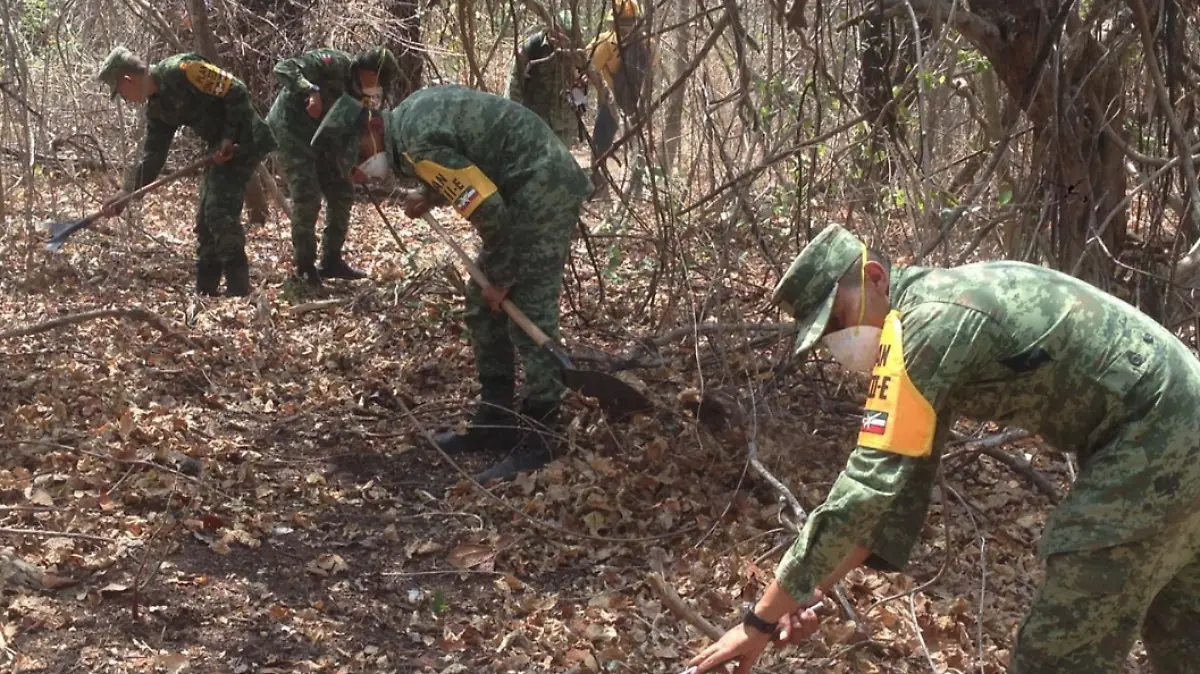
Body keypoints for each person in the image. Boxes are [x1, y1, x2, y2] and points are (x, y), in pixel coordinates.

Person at [686, 223, 1200, 674]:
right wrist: (802, 595)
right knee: (1182, 637)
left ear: (874, 278)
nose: (839, 342)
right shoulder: (932, 315)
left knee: (1058, 655)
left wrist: (758, 619)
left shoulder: (925, 327)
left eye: (839, 320)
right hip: (1175, 427)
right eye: (828, 335)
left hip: (1157, 436)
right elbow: (890, 497)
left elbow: (862, 491)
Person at [310, 86, 592, 483]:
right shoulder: (408, 123)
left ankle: (540, 439)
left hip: (540, 185)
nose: (360, 170)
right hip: (521, 184)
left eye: (357, 156)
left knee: (529, 309)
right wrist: (430, 194)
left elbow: (489, 209)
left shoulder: (416, 143)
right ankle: (497, 420)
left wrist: (503, 277)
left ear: (373, 126)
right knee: (481, 304)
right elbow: (466, 161)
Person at [97, 46, 276, 297]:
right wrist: (126, 192)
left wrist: (227, 136)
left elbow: (236, 89)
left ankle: (239, 292)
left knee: (218, 211)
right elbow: (153, 156)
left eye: (121, 92)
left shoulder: (185, 70)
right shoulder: (157, 109)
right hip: (218, 150)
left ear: (128, 79)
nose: (124, 99)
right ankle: (206, 293)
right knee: (204, 219)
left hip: (246, 140)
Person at [267, 46, 400, 286]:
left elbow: (348, 132)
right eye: (380, 79)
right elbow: (285, 67)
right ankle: (305, 269)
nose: (379, 86)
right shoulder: (333, 63)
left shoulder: (362, 97)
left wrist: (354, 166)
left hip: (324, 139)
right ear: (369, 71)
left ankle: (331, 260)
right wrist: (310, 89)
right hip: (291, 131)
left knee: (342, 191)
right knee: (308, 197)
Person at [585, 0, 654, 190]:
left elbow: (588, 65)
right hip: (637, 102)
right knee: (636, 143)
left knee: (600, 141)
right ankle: (637, 186)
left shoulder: (605, 43)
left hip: (611, 102)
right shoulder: (648, 43)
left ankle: (599, 185)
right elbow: (651, 68)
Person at [505, 11, 587, 148]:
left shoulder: (575, 53)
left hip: (563, 126)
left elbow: (580, 90)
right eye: (559, 33)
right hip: (535, 122)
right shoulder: (532, 48)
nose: (562, 39)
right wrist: (513, 119)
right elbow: (514, 86)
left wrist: (580, 107)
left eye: (566, 35)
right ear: (551, 29)